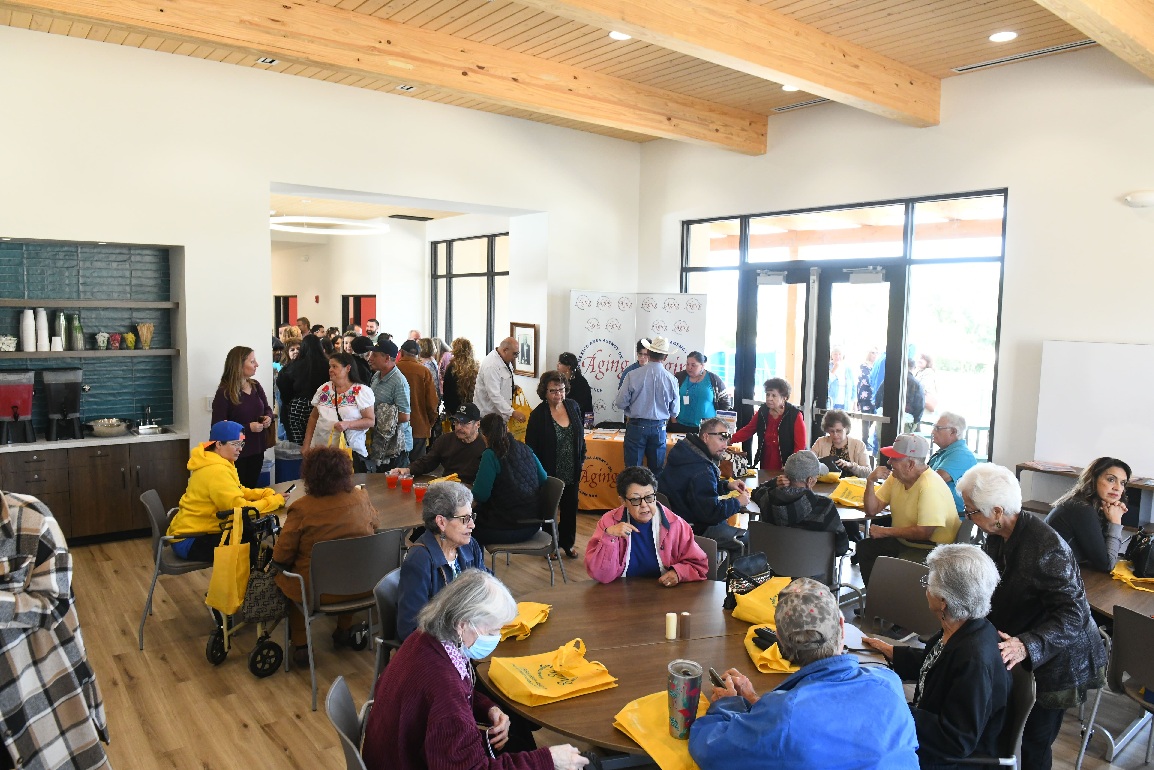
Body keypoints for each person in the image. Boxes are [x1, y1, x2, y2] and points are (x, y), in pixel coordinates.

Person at [956, 464, 1107, 770]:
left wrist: (1027, 645)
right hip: (1029, 640)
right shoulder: (1000, 533)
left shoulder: (1046, 547)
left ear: (997, 511)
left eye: (971, 511)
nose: (967, 516)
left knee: (1037, 740)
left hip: (1064, 659)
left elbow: (1075, 614)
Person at [362, 569, 588, 770]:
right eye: (491, 632)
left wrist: (488, 708)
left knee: (518, 737)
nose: (496, 640)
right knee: (529, 748)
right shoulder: (444, 692)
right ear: (462, 624)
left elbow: (452, 695)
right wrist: (549, 760)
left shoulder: (425, 638)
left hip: (396, 755)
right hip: (408, 761)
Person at [689, 577, 918, 770]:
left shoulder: (784, 714)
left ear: (779, 638)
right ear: (841, 623)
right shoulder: (889, 683)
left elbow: (709, 749)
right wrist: (756, 703)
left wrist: (728, 705)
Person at [863, 544, 1013, 768]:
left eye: (928, 584)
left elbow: (956, 739)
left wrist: (895, 708)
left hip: (946, 759)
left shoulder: (974, 659)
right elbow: (939, 665)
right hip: (931, 736)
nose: (925, 589)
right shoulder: (966, 627)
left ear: (944, 601)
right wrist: (892, 652)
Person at [0, 490, 110, 770]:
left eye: (241, 443)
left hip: (31, 696)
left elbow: (55, 606)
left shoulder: (30, 519)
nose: (240, 446)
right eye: (238, 442)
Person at [272, 446, 380, 667]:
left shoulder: (301, 508)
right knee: (348, 563)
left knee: (289, 579)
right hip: (364, 587)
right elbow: (375, 525)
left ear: (310, 475)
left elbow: (282, 554)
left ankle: (301, 645)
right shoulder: (361, 497)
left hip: (318, 593)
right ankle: (343, 630)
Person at [166, 421, 285, 561]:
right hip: (189, 540)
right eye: (235, 444)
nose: (240, 449)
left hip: (191, 532)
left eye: (241, 444)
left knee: (250, 534)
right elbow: (240, 510)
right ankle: (251, 582)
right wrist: (274, 501)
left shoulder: (216, 461)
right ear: (218, 444)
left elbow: (237, 490)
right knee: (250, 542)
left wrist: (263, 493)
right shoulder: (216, 470)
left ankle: (249, 581)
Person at [858, 433, 960, 585]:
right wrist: (871, 481)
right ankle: (877, 602)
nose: (889, 461)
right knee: (865, 548)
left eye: (895, 458)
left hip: (932, 550)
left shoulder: (929, 486)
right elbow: (872, 510)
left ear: (911, 464)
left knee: (896, 570)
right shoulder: (897, 477)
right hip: (906, 542)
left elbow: (924, 532)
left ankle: (892, 604)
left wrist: (885, 531)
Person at [396, 481, 489, 640]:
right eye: (465, 519)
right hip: (438, 647)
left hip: (469, 634)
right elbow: (409, 630)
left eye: (472, 517)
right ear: (441, 522)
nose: (472, 525)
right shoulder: (419, 561)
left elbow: (485, 586)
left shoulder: (469, 546)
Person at [585, 466, 708, 586]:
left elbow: (699, 566)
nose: (644, 505)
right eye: (636, 499)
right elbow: (601, 575)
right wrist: (609, 538)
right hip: (620, 592)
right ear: (623, 501)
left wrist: (678, 573)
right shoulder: (609, 522)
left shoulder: (676, 524)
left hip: (663, 592)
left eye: (649, 497)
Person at [658, 417, 748, 554]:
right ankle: (728, 574)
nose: (725, 446)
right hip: (694, 529)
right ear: (706, 437)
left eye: (727, 440)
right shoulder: (702, 470)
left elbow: (696, 489)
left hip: (675, 523)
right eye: (721, 439)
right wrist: (737, 502)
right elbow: (711, 514)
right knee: (748, 539)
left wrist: (726, 486)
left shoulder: (685, 453)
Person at [525, 370, 587, 559]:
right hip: (549, 471)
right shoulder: (538, 415)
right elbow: (531, 447)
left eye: (561, 390)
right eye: (553, 391)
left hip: (572, 469)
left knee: (570, 509)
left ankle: (567, 544)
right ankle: (549, 545)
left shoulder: (573, 406)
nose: (558, 395)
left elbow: (580, 437)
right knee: (550, 510)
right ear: (544, 392)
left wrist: (582, 457)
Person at [751, 449, 848, 557]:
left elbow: (755, 492)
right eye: (816, 476)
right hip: (812, 569)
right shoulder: (824, 506)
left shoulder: (767, 497)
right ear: (810, 480)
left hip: (772, 567)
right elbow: (841, 547)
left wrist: (774, 482)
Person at [471, 414, 547, 546]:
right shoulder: (526, 448)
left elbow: (481, 495)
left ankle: (475, 566)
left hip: (506, 526)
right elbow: (543, 478)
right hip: (533, 524)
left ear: (484, 435)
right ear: (507, 429)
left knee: (462, 528)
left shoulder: (491, 454)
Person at [1045, 457, 1131, 573]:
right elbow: (1107, 564)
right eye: (1111, 479)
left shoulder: (1088, 505)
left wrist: (1110, 518)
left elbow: (1102, 554)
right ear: (1093, 479)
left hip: (1059, 572)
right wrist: (1115, 523)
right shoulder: (1081, 509)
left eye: (1122, 483)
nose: (1117, 488)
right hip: (1045, 578)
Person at [301, 352, 376, 473]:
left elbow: (370, 421)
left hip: (349, 452)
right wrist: (306, 444)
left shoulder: (361, 391)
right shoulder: (324, 389)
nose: (330, 370)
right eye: (330, 366)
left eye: (334, 366)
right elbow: (313, 417)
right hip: (322, 451)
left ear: (348, 368)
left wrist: (348, 424)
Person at [211, 345, 274, 486]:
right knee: (238, 491)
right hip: (236, 453)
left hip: (257, 449)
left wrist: (268, 418)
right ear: (239, 365)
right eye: (252, 361)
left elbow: (267, 409)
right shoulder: (224, 392)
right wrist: (247, 428)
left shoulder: (256, 386)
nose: (256, 365)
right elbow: (218, 427)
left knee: (251, 488)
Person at [614, 336, 679, 469]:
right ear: (665, 357)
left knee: (633, 471)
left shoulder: (633, 375)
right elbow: (675, 411)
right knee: (656, 471)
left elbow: (620, 402)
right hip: (659, 428)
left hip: (636, 426)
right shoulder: (671, 379)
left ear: (648, 353)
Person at [391, 403, 487, 483]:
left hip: (473, 491)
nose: (458, 427)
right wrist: (407, 470)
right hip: (448, 488)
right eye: (456, 422)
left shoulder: (486, 446)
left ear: (477, 424)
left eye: (464, 423)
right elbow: (427, 462)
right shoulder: (445, 440)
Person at [731, 377, 805, 475]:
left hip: (786, 465)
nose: (769, 398)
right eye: (767, 394)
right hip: (765, 461)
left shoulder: (795, 415)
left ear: (784, 398)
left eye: (774, 395)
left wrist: (791, 465)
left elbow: (800, 445)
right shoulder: (763, 411)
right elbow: (748, 430)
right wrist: (728, 439)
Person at [367, 338, 413, 472]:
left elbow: (405, 416)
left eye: (375, 355)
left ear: (387, 358)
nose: (370, 358)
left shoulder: (399, 382)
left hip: (396, 447)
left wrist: (378, 417)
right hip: (381, 443)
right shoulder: (376, 376)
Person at [396, 339, 439, 461]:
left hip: (396, 428)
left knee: (396, 470)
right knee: (416, 469)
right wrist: (429, 423)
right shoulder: (424, 371)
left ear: (401, 353)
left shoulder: (393, 370)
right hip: (419, 427)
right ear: (418, 355)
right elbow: (432, 403)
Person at [283, 333, 330, 444]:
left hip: (298, 406)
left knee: (298, 444)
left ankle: (300, 461)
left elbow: (283, 386)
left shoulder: (293, 365)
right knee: (319, 442)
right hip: (321, 406)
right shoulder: (328, 365)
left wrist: (290, 401)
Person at [928, 411, 978, 515]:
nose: (933, 432)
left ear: (953, 431)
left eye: (937, 428)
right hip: (933, 512)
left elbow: (933, 481)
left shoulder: (962, 454)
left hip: (949, 518)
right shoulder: (943, 452)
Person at [672, 351, 732, 432]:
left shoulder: (714, 380)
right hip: (680, 425)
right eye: (688, 364)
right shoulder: (679, 377)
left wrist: (717, 424)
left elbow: (726, 403)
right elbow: (670, 399)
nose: (689, 367)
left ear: (702, 366)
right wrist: (673, 420)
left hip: (706, 429)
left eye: (693, 365)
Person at [810, 408, 871, 477]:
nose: (835, 434)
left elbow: (868, 472)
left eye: (839, 431)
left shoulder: (859, 445)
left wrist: (851, 465)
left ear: (846, 428)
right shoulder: (821, 442)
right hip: (825, 484)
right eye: (831, 431)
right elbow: (809, 461)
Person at [474, 337, 521, 423]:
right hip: (488, 417)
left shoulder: (505, 360)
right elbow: (494, 395)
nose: (516, 357)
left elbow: (502, 381)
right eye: (515, 354)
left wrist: (512, 387)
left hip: (500, 416)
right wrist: (512, 412)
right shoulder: (491, 365)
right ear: (505, 350)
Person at [442, 337, 478, 417]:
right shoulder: (476, 367)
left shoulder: (452, 367)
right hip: (473, 406)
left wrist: (447, 408)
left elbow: (447, 390)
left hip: (455, 408)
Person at [555, 352, 594, 418]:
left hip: (580, 419)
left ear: (568, 367)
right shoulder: (561, 380)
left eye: (560, 363)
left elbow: (580, 406)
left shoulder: (580, 382)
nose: (557, 365)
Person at [857, 345, 881, 450]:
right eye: (872, 352)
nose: (874, 355)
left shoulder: (877, 366)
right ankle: (864, 441)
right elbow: (866, 380)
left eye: (876, 353)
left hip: (874, 397)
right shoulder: (864, 366)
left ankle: (867, 440)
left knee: (873, 418)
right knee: (866, 419)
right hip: (865, 396)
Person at [827, 345, 854, 410]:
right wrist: (834, 369)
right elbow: (827, 382)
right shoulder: (828, 366)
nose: (837, 356)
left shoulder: (847, 368)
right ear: (832, 355)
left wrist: (854, 403)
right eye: (835, 354)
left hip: (845, 402)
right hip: (832, 401)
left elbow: (853, 385)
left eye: (839, 354)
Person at [915, 352, 940, 417]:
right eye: (919, 358)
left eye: (922, 359)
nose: (919, 360)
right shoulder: (919, 371)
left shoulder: (928, 372)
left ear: (928, 362)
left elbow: (922, 387)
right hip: (921, 403)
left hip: (925, 404)